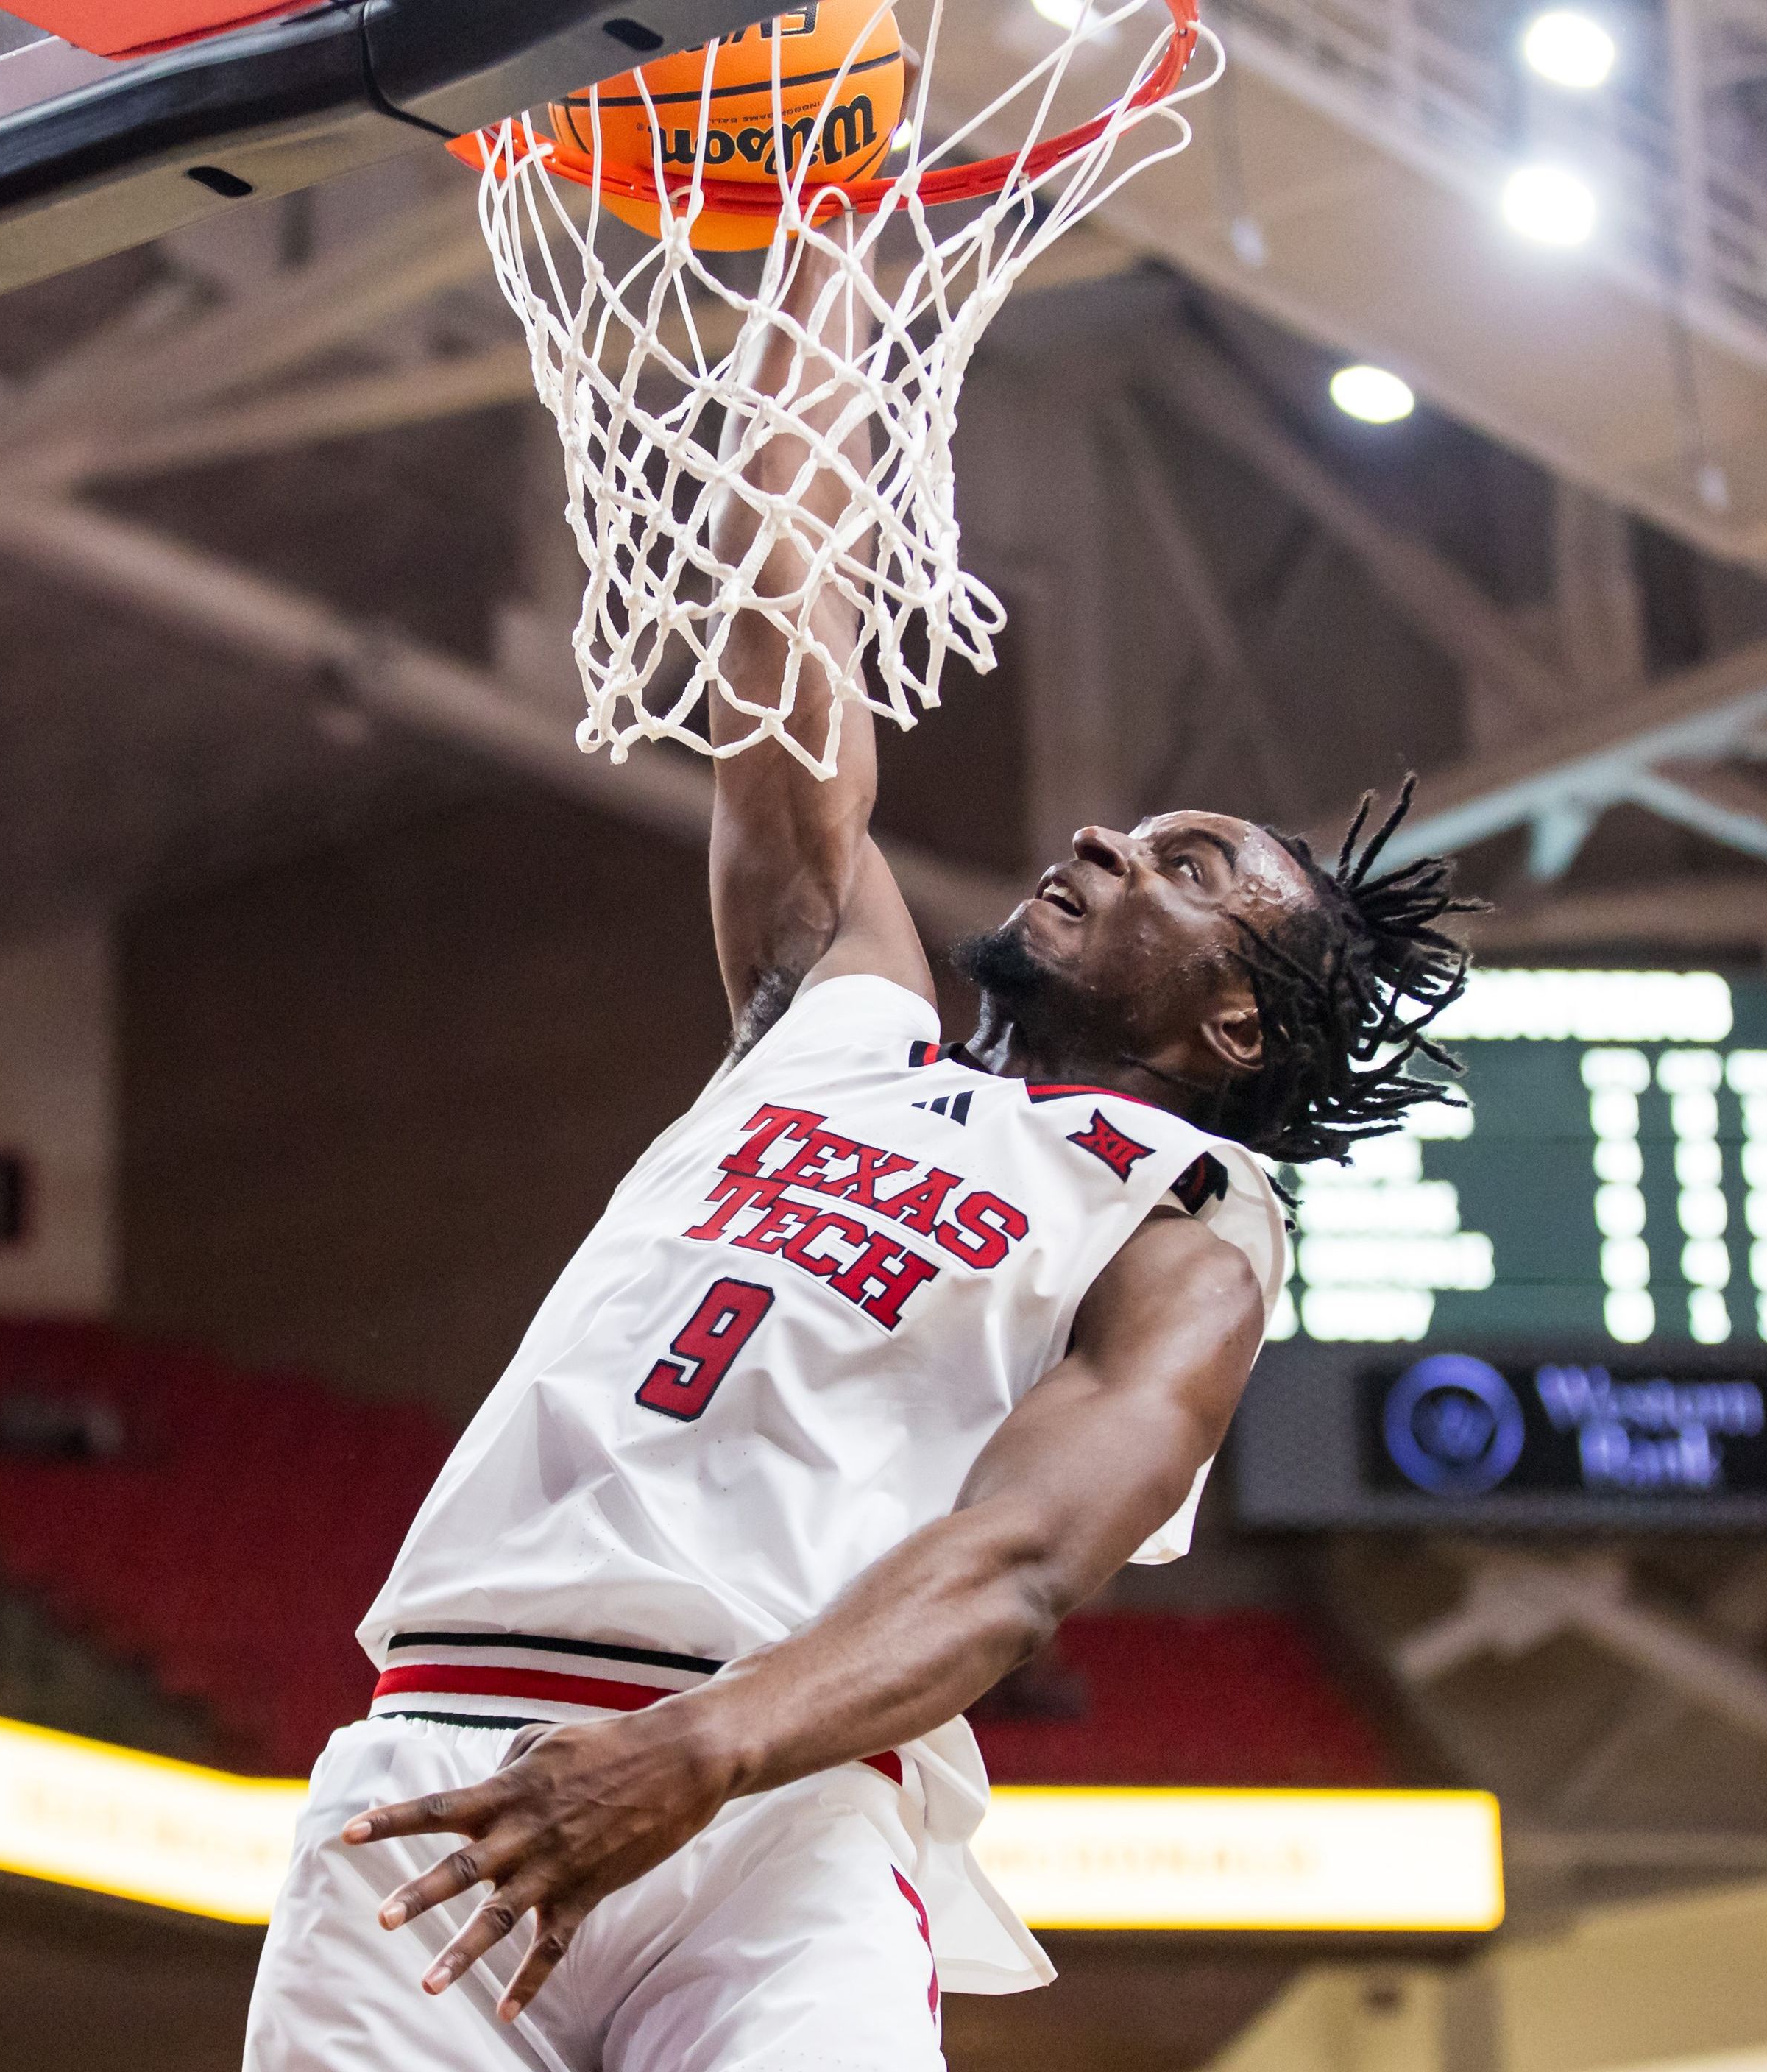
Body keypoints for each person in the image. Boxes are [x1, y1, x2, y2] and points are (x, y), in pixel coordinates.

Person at [240, 241, 1472, 2072]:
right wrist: (813, 265)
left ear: (1234, 1025)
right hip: (442, 1756)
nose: (1105, 843)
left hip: (775, 1806)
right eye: (1133, 829)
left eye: (1187, 867)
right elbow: (783, 637)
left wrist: (705, 1748)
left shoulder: (1185, 1226)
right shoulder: (839, 1017)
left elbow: (1018, 1563)